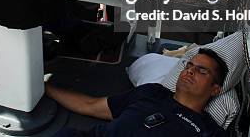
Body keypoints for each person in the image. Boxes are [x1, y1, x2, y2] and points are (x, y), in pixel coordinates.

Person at [46, 49, 228, 136]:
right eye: (188, 66)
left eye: (201, 71)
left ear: (215, 89)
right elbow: (90, 105)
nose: (190, 71)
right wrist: (44, 88)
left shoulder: (209, 131)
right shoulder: (152, 92)